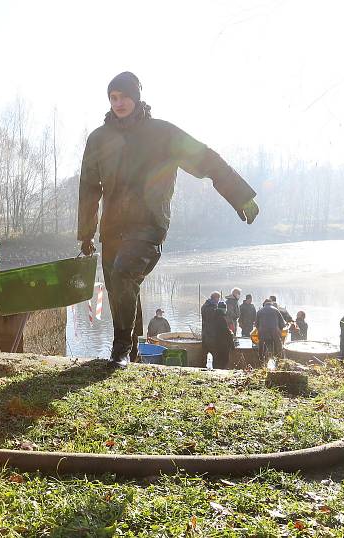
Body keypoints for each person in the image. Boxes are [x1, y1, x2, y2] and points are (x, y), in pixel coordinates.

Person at [77, 71, 259, 368]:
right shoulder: (98, 139)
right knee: (120, 288)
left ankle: (120, 348)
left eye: (123, 96)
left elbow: (205, 159)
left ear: (136, 97)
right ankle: (131, 351)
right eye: (113, 97)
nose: (118, 103)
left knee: (124, 274)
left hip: (149, 225)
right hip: (111, 228)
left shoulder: (162, 134)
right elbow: (88, 187)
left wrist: (239, 194)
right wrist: (85, 232)